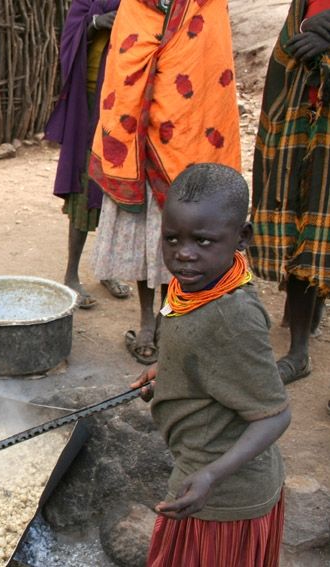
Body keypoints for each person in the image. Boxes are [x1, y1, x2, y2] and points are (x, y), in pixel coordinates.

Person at [131, 164, 291, 566]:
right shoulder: (195, 287)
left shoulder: (230, 316)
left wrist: (211, 477)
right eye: (172, 238)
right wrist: (170, 375)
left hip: (224, 497)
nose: (184, 253)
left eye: (203, 241)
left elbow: (275, 415)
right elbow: (206, 361)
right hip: (203, 474)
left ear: (242, 237)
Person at [87, 0, 241, 363]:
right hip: (137, 140)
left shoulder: (208, 7)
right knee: (144, 236)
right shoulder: (133, 7)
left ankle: (169, 316)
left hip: (190, 137)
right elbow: (122, 67)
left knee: (184, 238)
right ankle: (145, 320)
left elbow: (212, 74)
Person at [249, 0, 330, 386]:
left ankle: (308, 320)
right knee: (305, 227)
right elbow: (291, 42)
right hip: (301, 124)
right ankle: (299, 349)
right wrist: (309, 34)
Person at [45, 0, 130, 308]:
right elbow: (69, 38)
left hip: (126, 104)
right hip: (90, 102)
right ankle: (71, 274)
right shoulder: (87, 2)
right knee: (84, 186)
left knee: (118, 190)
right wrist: (95, 23)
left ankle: (109, 269)